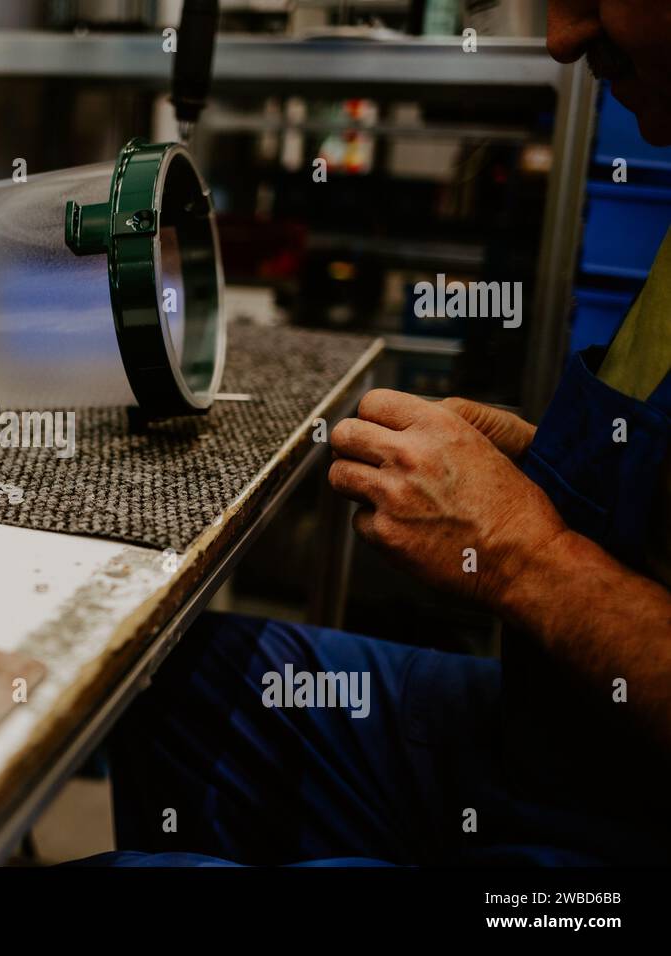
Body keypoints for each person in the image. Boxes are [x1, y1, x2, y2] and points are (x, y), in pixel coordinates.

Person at [95, 0, 671, 866]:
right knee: (175, 678)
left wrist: (521, 549)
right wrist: (531, 461)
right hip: (558, 737)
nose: (560, 38)